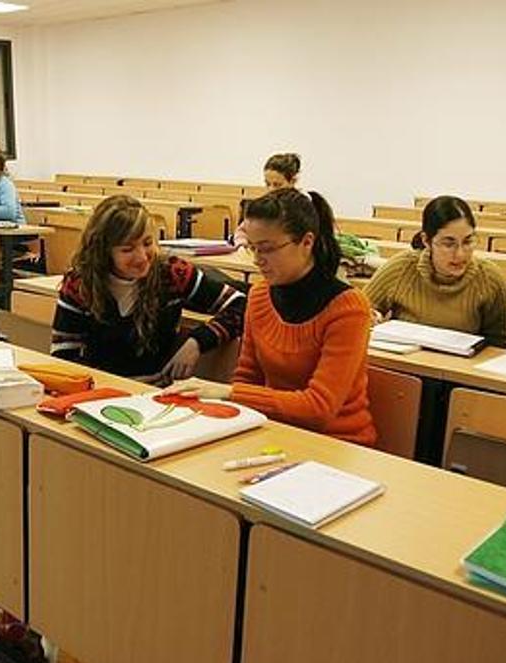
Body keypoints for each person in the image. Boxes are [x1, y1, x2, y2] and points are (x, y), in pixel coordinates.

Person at [166, 188, 377, 446]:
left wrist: (228, 393)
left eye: (267, 249)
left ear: (306, 242)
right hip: (275, 431)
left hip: (338, 442)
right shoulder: (259, 296)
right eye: (253, 248)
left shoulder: (349, 308)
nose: (257, 260)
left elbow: (320, 409)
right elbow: (247, 377)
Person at [51, 195, 246, 383]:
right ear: (102, 251)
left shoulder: (172, 274)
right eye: (127, 249)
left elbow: (241, 305)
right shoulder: (79, 284)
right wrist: (118, 384)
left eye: (147, 243)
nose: (143, 257)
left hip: (159, 394)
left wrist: (196, 342)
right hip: (99, 394)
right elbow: (64, 356)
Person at [361, 195, 506, 347]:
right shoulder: (401, 268)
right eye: (448, 244)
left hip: (461, 367)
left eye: (467, 241)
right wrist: (371, 317)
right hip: (405, 364)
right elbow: (361, 313)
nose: (460, 254)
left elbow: (501, 345)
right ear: (426, 240)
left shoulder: (489, 278)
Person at [233, 152, 301, 246]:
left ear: (293, 181)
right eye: (268, 184)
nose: (271, 190)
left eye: (277, 185)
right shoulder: (265, 205)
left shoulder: (301, 208)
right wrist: (241, 245)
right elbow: (242, 231)